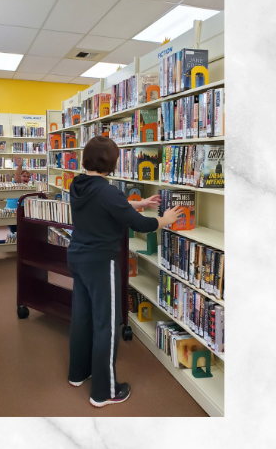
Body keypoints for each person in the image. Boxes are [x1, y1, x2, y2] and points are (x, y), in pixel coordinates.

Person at [67, 136, 180, 407]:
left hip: (77, 257)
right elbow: (138, 225)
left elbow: (111, 208)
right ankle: (104, 392)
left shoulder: (78, 184)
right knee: (107, 323)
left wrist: (139, 204)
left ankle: (78, 373)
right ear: (111, 162)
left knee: (82, 317)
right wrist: (163, 220)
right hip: (100, 262)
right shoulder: (108, 191)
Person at [0, 158, 31, 252]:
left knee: (18, 238)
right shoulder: (16, 183)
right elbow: (17, 178)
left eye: (28, 177)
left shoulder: (27, 187)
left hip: (19, 215)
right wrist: (19, 166)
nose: (26, 178)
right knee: (18, 239)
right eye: (24, 176)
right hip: (11, 214)